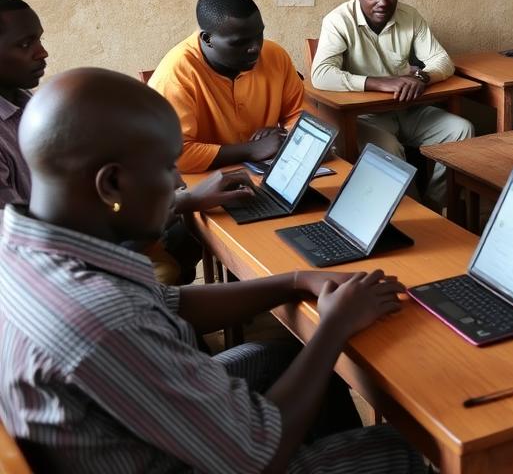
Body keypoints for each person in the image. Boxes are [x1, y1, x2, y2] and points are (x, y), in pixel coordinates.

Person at [0, 67, 423, 473]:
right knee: (406, 447)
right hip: (212, 460)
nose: (178, 184)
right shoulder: (106, 317)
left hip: (118, 438)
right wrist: (334, 325)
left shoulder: (20, 247)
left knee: (280, 356)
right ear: (110, 185)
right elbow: (261, 455)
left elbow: (172, 302)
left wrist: (295, 281)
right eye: (168, 167)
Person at [0, 0, 254, 284]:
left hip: (80, 241)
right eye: (25, 44)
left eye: (39, 40)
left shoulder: (25, 103)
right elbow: (20, 249)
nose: (42, 52)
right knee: (177, 241)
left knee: (189, 234)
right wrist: (184, 200)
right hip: (53, 270)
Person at [310, 0, 473, 207]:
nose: (383, 3)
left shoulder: (410, 16)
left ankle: (437, 206)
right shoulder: (338, 21)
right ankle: (413, 216)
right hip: (364, 117)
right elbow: (321, 74)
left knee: (461, 129)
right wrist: (379, 83)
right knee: (390, 148)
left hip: (407, 109)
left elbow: (442, 60)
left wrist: (422, 77)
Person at [149, 0, 306, 174]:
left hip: (267, 176)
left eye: (259, 35)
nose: (255, 48)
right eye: (240, 42)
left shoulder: (275, 56)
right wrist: (252, 150)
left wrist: (286, 135)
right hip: (202, 184)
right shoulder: (175, 74)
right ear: (207, 39)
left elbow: (303, 117)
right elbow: (173, 155)